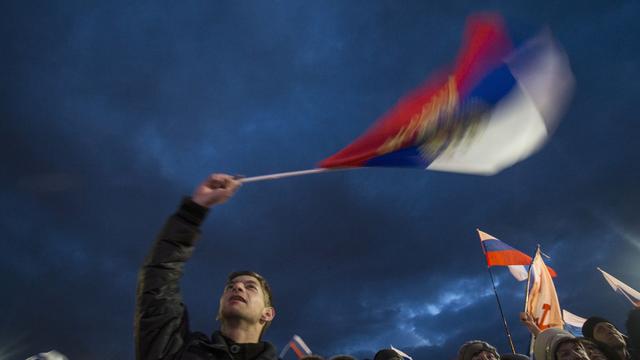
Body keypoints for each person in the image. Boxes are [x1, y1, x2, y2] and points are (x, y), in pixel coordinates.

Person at [134, 173, 278, 360]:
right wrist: (193, 210)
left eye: (250, 286)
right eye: (230, 287)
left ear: (267, 314)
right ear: (219, 310)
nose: (237, 287)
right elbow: (160, 275)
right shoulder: (176, 349)